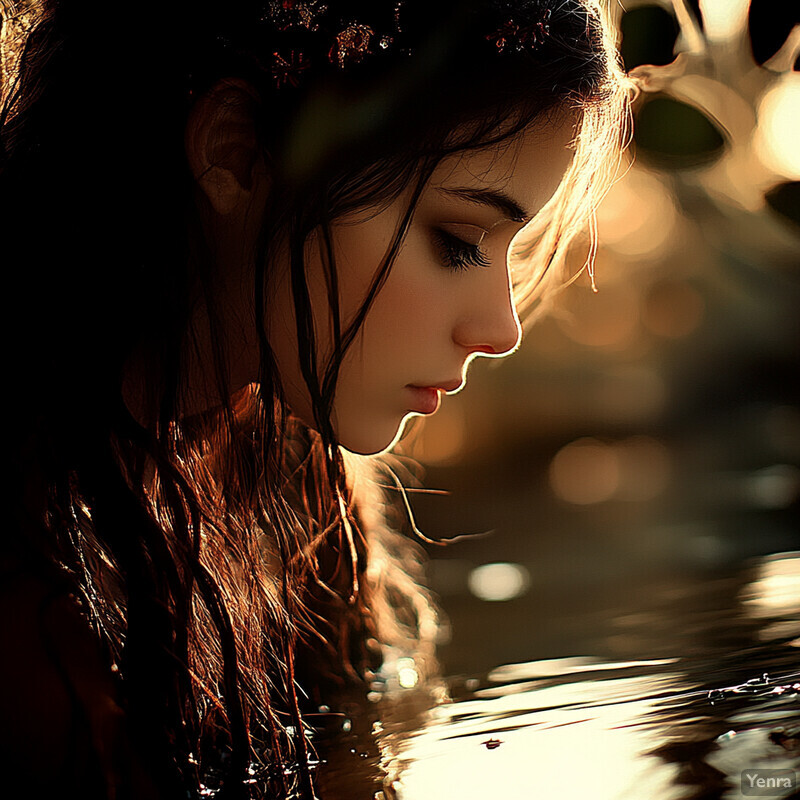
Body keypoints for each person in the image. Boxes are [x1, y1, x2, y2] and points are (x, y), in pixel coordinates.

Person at [1, 0, 630, 797]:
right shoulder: (26, 565)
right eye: (458, 239)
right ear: (236, 151)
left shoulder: (290, 478)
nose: (502, 328)